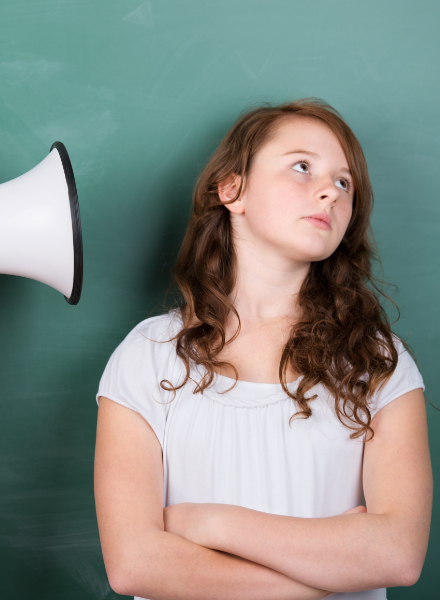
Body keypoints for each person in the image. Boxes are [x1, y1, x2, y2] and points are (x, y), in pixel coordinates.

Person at [94, 99, 432, 600]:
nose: (330, 192)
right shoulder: (147, 355)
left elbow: (398, 554)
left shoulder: (379, 362)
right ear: (232, 189)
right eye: (302, 167)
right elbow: (135, 565)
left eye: (345, 183)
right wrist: (332, 571)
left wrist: (210, 524)